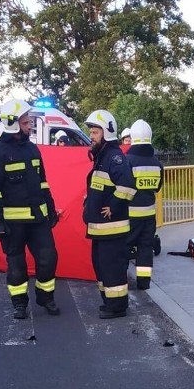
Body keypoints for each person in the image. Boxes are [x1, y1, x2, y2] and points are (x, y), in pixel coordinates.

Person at [0, 99, 61, 320]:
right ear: (13, 123)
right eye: (26, 122)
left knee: (48, 257)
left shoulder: (32, 149)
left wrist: (51, 207)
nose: (30, 126)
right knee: (16, 266)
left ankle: (46, 297)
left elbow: (42, 181)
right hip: (12, 223)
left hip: (38, 219)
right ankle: (19, 303)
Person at [83, 109, 136, 319]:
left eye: (95, 132)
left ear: (106, 132)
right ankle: (109, 302)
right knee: (101, 265)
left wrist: (113, 206)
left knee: (112, 267)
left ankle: (117, 306)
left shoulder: (115, 158)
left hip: (112, 228)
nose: (92, 136)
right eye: (92, 132)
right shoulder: (102, 156)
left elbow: (128, 186)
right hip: (101, 229)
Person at [125, 120, 163, 291]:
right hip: (149, 215)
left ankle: (120, 280)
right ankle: (144, 282)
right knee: (145, 249)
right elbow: (157, 187)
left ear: (132, 137)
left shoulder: (127, 161)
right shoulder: (157, 164)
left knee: (123, 248)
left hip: (129, 216)